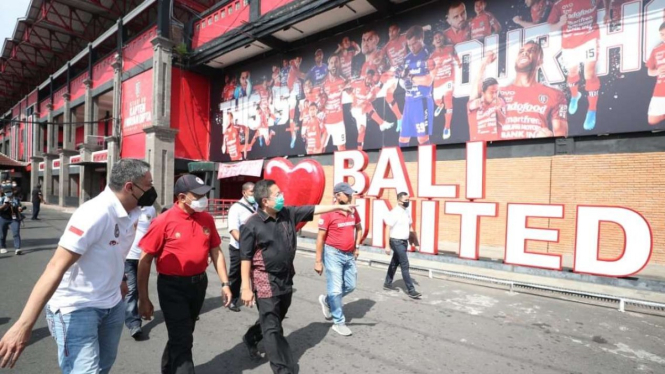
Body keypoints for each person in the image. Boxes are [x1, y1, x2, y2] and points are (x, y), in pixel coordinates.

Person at [0, 159, 155, 372]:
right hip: (77, 308)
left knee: (103, 367)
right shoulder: (95, 213)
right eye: (148, 185)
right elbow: (55, 267)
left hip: (112, 305)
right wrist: (23, 325)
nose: (151, 190)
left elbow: (113, 251)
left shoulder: (133, 213)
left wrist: (120, 279)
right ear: (130, 187)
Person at [240, 179, 355, 373]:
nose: (282, 196)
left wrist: (338, 206)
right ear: (265, 201)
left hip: (286, 278)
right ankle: (282, 367)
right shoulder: (251, 224)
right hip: (264, 279)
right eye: (277, 194)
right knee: (273, 328)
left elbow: (314, 209)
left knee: (277, 317)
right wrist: (246, 287)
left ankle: (251, 336)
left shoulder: (288, 213)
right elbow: (245, 258)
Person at [138, 174, 232, 374]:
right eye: (197, 195)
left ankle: (167, 369)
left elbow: (216, 251)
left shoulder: (206, 219)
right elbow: (145, 261)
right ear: (181, 197)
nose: (203, 199)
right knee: (183, 340)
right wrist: (143, 298)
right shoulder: (163, 221)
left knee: (183, 333)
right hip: (172, 288)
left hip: (198, 286)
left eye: (205, 194)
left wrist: (225, 283)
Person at [548, 0, 609, 131]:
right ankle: (575, 96)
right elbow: (551, 26)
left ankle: (592, 109)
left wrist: (607, 12)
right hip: (569, 44)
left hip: (590, 39)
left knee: (589, 73)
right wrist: (560, 23)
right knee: (572, 73)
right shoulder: (559, 4)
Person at [314, 183, 362, 336]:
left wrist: (357, 246)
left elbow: (359, 228)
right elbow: (320, 238)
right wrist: (318, 261)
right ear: (337, 195)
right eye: (347, 194)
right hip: (333, 253)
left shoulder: (352, 210)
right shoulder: (328, 213)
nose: (350, 196)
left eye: (350, 194)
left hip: (349, 254)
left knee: (351, 285)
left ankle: (327, 301)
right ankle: (338, 322)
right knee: (335, 288)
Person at [498, 41, 568, 139]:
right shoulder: (499, 93)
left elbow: (561, 135)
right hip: (502, 152)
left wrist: (549, 140)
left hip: (536, 151)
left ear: (540, 61)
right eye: (521, 51)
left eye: (531, 51)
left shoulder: (555, 95)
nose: (525, 53)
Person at [124, 203, 157, 339]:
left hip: (144, 256)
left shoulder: (151, 209)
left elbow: (154, 231)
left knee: (142, 287)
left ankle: (144, 308)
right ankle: (134, 323)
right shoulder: (126, 208)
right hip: (127, 256)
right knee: (131, 290)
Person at [398, 25, 434, 147]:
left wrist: (411, 78)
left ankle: (427, 165)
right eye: (409, 45)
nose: (412, 48)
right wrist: (404, 83)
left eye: (414, 44)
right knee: (403, 139)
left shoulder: (429, 54)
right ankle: (404, 165)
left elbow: (428, 80)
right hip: (408, 102)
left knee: (422, 139)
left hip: (422, 101)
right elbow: (402, 80)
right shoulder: (407, 58)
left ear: (421, 38)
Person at [383, 192, 422, 299]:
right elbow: (387, 228)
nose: (407, 202)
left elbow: (410, 228)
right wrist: (387, 245)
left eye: (408, 200)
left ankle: (387, 283)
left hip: (404, 242)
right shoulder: (394, 213)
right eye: (406, 200)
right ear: (399, 201)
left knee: (395, 262)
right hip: (396, 241)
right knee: (405, 264)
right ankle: (411, 290)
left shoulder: (407, 211)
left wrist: (415, 242)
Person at [226, 182, 257, 312]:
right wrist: (246, 245)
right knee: (236, 274)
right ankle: (232, 299)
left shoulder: (257, 205)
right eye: (252, 192)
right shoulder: (236, 208)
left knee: (255, 272)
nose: (254, 195)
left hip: (255, 247)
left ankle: (256, 296)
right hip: (238, 247)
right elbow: (233, 230)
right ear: (244, 193)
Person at [429, 30, 461, 140]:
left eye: (440, 36)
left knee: (448, 101)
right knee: (437, 101)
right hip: (438, 82)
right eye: (435, 37)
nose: (438, 39)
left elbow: (456, 57)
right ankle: (439, 105)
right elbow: (431, 74)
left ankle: (446, 127)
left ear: (443, 39)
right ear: (433, 42)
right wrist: (437, 66)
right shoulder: (432, 56)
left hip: (449, 79)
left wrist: (460, 64)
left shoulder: (450, 48)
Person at [467, 52, 505, 141]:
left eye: (497, 92)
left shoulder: (500, 102)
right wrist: (484, 64)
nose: (495, 95)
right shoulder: (474, 103)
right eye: (492, 92)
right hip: (478, 146)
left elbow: (503, 123)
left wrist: (498, 109)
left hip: (496, 146)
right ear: (483, 93)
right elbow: (478, 81)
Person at [647, 22, 665, 126]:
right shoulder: (656, 49)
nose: (663, 37)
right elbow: (650, 71)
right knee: (652, 120)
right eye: (662, 34)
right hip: (659, 89)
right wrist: (657, 72)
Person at [0, 187, 24, 255]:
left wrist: (20, 209)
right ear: (4, 193)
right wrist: (5, 205)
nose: (8, 193)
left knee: (16, 232)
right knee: (2, 234)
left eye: (9, 191)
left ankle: (17, 248)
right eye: (7, 192)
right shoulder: (2, 199)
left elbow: (19, 206)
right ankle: (2, 247)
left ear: (12, 192)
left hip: (14, 218)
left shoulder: (16, 199)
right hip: (3, 218)